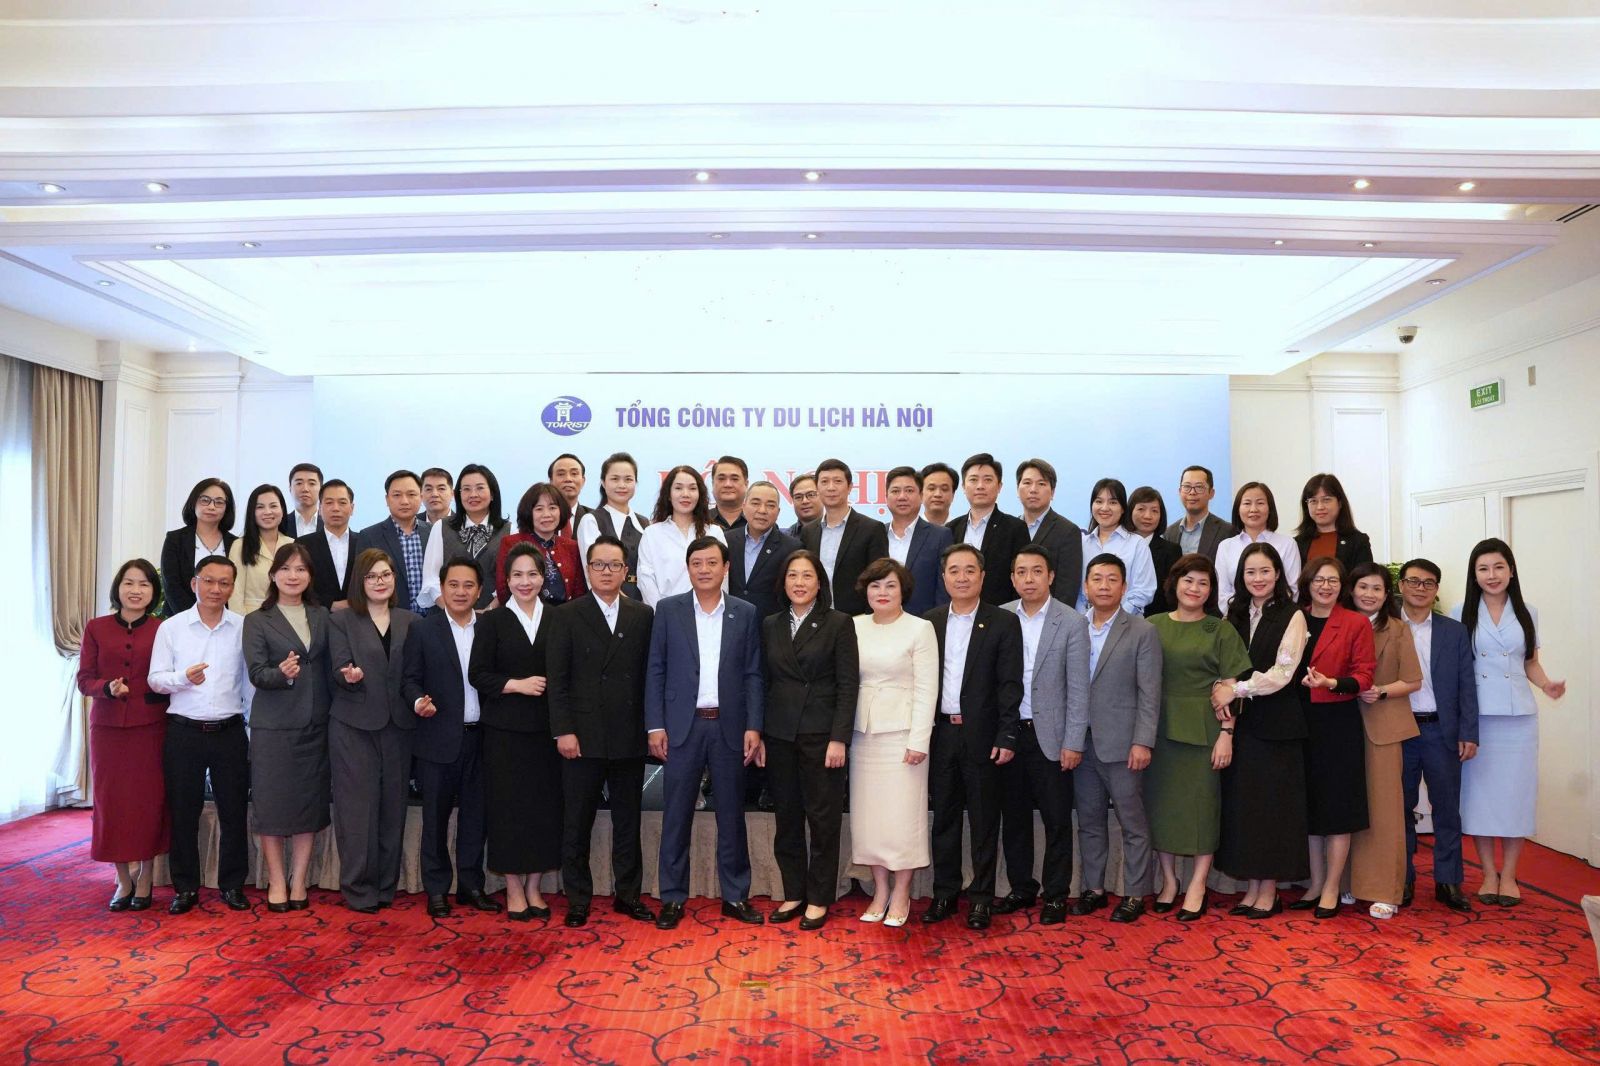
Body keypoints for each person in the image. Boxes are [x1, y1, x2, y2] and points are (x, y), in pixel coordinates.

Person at [645, 537, 765, 930]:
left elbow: (753, 674)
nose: (704, 569)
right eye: (696, 563)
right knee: (676, 816)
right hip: (682, 726)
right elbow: (656, 669)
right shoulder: (668, 610)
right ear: (688, 568)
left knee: (731, 815)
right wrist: (655, 725)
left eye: (712, 562)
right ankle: (672, 897)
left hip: (730, 727)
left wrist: (754, 726)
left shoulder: (745, 612)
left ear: (726, 567)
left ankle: (735, 895)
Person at [547, 535, 657, 927]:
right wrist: (563, 730)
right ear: (588, 569)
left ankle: (628, 894)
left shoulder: (643, 615)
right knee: (576, 822)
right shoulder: (566, 615)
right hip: (582, 736)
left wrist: (651, 729)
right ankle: (578, 898)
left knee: (628, 823)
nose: (606, 572)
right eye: (598, 565)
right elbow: (557, 680)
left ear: (626, 572)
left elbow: (650, 678)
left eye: (614, 565)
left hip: (628, 735)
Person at [1456, 538, 1565, 908]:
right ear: (1474, 574)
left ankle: (1510, 875)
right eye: (1483, 568)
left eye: (1499, 567)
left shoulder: (1527, 611)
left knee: (1516, 797)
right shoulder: (1460, 611)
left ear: (1511, 570)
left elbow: (1529, 662)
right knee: (1480, 798)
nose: (1492, 575)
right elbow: (1459, 667)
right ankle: (1489, 873)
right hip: (1478, 719)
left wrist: (1546, 684)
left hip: (1518, 719)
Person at [1144, 553, 1252, 920]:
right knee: (1162, 807)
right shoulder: (1152, 625)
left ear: (1211, 591)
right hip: (1158, 729)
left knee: (1203, 808)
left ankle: (1198, 884)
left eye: (1203, 583)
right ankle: (1169, 880)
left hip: (1205, 730)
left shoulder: (1221, 630)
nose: (1194, 588)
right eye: (1188, 580)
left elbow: (1230, 688)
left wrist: (1227, 735)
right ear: (1174, 583)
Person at [923, 543, 1023, 930]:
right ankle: (944, 893)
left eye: (969, 570)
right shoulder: (929, 622)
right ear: (943, 577)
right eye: (954, 570)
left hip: (983, 736)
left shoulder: (1002, 622)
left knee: (984, 820)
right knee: (944, 818)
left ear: (982, 576)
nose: (961, 577)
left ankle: (981, 897)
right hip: (941, 734)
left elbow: (1010, 686)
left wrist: (1007, 735)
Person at [147, 555, 252, 915]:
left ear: (232, 588)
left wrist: (252, 727)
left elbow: (249, 685)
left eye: (224, 583)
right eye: (208, 581)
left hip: (229, 731)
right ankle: (185, 887)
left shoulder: (243, 627)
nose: (215, 589)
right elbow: (155, 679)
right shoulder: (171, 628)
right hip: (184, 732)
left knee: (234, 812)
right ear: (194, 584)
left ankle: (233, 885)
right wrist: (183, 679)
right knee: (183, 812)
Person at [760, 550, 859, 929]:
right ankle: (794, 892)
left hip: (822, 735)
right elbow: (764, 682)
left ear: (820, 583)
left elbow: (848, 685)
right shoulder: (770, 624)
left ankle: (818, 897)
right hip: (780, 733)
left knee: (823, 819)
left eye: (807, 575)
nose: (799, 583)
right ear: (783, 582)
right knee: (786, 817)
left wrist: (839, 738)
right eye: (792, 575)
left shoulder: (838, 623)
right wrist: (761, 733)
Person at [469, 542, 563, 920]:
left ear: (543, 578)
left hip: (547, 731)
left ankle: (534, 886)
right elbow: (478, 675)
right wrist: (517, 685)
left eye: (533, 574)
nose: (526, 582)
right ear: (506, 580)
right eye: (518, 575)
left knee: (544, 809)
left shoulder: (558, 617)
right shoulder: (491, 621)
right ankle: (512, 887)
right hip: (503, 732)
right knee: (507, 810)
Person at [995, 544, 1089, 922]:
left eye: (1037, 571)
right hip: (1009, 733)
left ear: (1050, 576)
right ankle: (1021, 887)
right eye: (1021, 572)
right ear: (1012, 578)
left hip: (1051, 735)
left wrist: (1073, 741)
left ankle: (1055, 894)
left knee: (1056, 820)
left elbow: (1079, 689)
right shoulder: (1000, 616)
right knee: (1014, 817)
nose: (1029, 579)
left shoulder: (1072, 621)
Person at [1216, 543, 1311, 918]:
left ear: (1278, 574)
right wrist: (1223, 689)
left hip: (1277, 725)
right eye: (1250, 572)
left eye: (1265, 571)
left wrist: (1237, 689)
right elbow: (1224, 662)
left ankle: (1269, 890)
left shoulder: (1292, 614)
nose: (1258, 579)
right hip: (1242, 725)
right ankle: (1252, 886)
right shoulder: (1234, 613)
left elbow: (1283, 673)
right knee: (1246, 808)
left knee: (1273, 809)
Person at [1066, 554, 1162, 924]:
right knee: (1089, 820)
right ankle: (1094, 889)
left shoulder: (1141, 631)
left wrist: (1143, 741)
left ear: (1124, 587)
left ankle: (1135, 893)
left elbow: (1149, 693)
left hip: (1123, 744)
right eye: (1097, 579)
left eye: (1112, 579)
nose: (1104, 586)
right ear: (1085, 586)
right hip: (1080, 742)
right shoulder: (1073, 626)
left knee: (1132, 822)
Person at [404, 556, 499, 917]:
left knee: (477, 817)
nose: (461, 592)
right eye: (453, 585)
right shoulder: (423, 629)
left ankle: (472, 885)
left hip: (482, 739)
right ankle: (437, 889)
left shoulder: (490, 627)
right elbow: (409, 679)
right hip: (437, 739)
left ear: (480, 590)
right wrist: (418, 701)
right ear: (441, 589)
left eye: (468, 585)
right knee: (435, 818)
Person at [327, 548, 419, 913]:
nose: (380, 582)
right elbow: (338, 665)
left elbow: (415, 673)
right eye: (371, 576)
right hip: (354, 726)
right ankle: (358, 888)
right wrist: (347, 676)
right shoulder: (342, 620)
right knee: (357, 811)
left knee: (393, 809)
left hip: (399, 726)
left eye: (386, 575)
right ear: (359, 581)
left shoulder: (411, 620)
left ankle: (385, 887)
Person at [243, 543, 332, 913]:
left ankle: (299, 880)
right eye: (286, 569)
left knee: (308, 806)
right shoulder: (257, 620)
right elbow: (256, 673)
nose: (293, 576)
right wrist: (282, 674)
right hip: (274, 727)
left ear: (310, 575)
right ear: (273, 574)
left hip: (316, 724)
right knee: (273, 806)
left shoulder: (322, 615)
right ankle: (277, 880)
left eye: (301, 569)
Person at [849, 557, 938, 927]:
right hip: (862, 735)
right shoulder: (854, 626)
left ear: (904, 591)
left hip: (903, 738)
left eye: (890, 585)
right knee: (869, 819)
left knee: (902, 819)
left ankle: (902, 891)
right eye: (875, 585)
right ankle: (880, 890)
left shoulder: (920, 628)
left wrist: (919, 740)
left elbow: (927, 689)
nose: (882, 592)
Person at [77, 559, 168, 911]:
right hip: (108, 729)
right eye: (129, 583)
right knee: (111, 803)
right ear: (118, 588)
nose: (135, 590)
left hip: (151, 727)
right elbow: (84, 679)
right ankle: (122, 879)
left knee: (149, 802)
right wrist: (107, 688)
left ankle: (145, 877)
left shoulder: (163, 629)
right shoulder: (96, 628)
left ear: (153, 592)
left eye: (144, 584)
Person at [1292, 557, 1376, 917]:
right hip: (1299, 722)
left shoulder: (1356, 623)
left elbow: (1365, 675)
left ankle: (1331, 887)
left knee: (1337, 808)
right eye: (1319, 580)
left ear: (1342, 586)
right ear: (1307, 583)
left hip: (1337, 722)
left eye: (1333, 580)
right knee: (1309, 806)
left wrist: (1331, 682)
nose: (1325, 586)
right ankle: (1314, 883)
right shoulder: (1295, 618)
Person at [1397, 558, 1477, 911]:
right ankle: (1402, 878)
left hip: (1440, 731)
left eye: (1428, 583)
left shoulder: (1454, 631)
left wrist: (1469, 732)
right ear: (1401, 585)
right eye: (1414, 581)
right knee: (1399, 808)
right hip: (1399, 730)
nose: (1421, 588)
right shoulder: (1385, 626)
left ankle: (1448, 881)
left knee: (1447, 809)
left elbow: (1467, 686)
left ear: (1436, 590)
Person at [1346, 562, 1422, 920]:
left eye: (1376, 588)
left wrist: (1381, 691)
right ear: (1351, 589)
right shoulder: (1339, 623)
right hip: (1342, 725)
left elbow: (1413, 681)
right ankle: (1347, 882)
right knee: (1347, 807)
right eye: (1363, 587)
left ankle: (1384, 890)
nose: (1369, 594)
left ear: (1386, 593)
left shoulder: (1397, 629)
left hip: (1384, 726)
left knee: (1385, 812)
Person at [799, 458, 889, 615]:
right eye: (824, 482)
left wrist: (871, 618)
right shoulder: (809, 531)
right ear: (817, 488)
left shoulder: (872, 529)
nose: (831, 487)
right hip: (818, 617)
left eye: (838, 481)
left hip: (858, 619)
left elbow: (879, 579)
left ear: (850, 487)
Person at [420, 463, 509, 612]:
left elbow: (510, 580)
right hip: (447, 617)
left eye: (480, 488)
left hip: (494, 617)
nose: (473, 494)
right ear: (458, 495)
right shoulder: (441, 527)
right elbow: (431, 579)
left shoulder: (509, 530)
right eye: (466, 489)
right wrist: (453, 612)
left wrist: (488, 611)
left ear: (493, 493)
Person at [638, 465, 728, 607]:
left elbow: (723, 578)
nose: (685, 494)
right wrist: (662, 613)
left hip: (709, 613)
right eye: (678, 488)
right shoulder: (652, 534)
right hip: (665, 613)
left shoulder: (714, 532)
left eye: (692, 488)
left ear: (700, 494)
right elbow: (646, 581)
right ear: (668, 494)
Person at [946, 453, 1029, 605]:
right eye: (973, 480)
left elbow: (1021, 575)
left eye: (988, 480)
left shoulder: (1015, 528)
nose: (980, 486)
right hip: (956, 612)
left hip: (1001, 612)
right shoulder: (950, 529)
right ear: (963, 487)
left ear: (999, 486)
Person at [1214, 482, 1301, 613]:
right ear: (1238, 509)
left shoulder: (1287, 544)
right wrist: (1246, 614)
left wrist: (1265, 615)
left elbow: (1292, 590)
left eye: (1260, 503)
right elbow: (1222, 593)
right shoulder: (1225, 546)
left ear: (1270, 508)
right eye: (1247, 503)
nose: (1253, 509)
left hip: (1277, 618)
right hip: (1236, 617)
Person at [496, 482, 586, 608]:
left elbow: (579, 592)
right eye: (539, 509)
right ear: (528, 512)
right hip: (524, 614)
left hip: (566, 615)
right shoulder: (511, 543)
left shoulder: (572, 546)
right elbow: (503, 590)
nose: (546, 514)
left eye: (552, 508)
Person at [354, 470, 430, 614]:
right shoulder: (369, 536)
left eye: (411, 494)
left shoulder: (435, 532)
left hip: (432, 620)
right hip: (390, 618)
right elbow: (361, 583)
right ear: (387, 499)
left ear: (421, 497)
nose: (404, 501)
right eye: (397, 495)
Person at [575, 451, 650, 599]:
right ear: (603, 483)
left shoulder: (645, 523)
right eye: (615, 479)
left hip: (645, 603)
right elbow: (595, 575)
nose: (622, 485)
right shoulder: (591, 521)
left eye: (628, 479)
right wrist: (627, 606)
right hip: (608, 603)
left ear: (635, 483)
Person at [159, 478, 239, 616]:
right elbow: (171, 585)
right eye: (205, 500)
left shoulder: (235, 543)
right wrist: (193, 618)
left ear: (227, 508)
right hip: (181, 617)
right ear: (194, 503)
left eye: (219, 502)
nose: (211, 507)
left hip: (224, 620)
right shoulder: (175, 539)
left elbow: (236, 587)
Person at [1077, 478, 1157, 615]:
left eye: (1113, 502)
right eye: (1099, 501)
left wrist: (1113, 619)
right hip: (1085, 623)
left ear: (1123, 508)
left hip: (1127, 623)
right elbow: (1077, 590)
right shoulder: (1082, 543)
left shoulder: (1137, 544)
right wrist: (1085, 619)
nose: (1104, 508)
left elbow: (1143, 591)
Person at [882, 465, 953, 616]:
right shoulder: (875, 533)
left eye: (909, 490)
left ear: (921, 495)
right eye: (895, 491)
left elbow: (943, 590)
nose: (902, 497)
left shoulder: (940, 536)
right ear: (886, 497)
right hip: (880, 622)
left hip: (923, 622)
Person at [727, 481, 801, 622]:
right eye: (755, 503)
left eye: (770, 505)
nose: (762, 510)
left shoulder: (792, 548)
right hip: (731, 624)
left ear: (778, 512)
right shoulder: (726, 540)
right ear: (743, 506)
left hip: (771, 627)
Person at [1015, 458, 1083, 607]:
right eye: (1027, 483)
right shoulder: (1009, 528)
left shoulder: (1068, 531)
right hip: (1011, 614)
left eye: (1041, 484)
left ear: (1052, 492)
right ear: (1017, 490)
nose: (1033, 489)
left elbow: (1067, 589)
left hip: (1050, 616)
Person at [225, 484, 289, 615]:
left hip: (287, 616)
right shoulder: (240, 545)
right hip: (251, 616)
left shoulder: (292, 544)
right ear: (252, 512)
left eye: (273, 506)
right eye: (260, 507)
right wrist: (242, 623)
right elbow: (235, 593)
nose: (267, 512)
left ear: (282, 510)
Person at [1294, 473, 1374, 574]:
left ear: (1340, 503)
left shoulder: (1358, 541)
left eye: (1326, 500)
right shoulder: (1296, 543)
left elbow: (1365, 579)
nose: (1320, 507)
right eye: (1313, 501)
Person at [299, 478, 355, 609]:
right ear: (319, 508)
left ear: (352, 508)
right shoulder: (303, 544)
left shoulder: (364, 541)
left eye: (342, 503)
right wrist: (330, 604)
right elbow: (299, 583)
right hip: (316, 615)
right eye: (329, 503)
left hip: (358, 616)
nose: (336, 508)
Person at [1130, 486, 1183, 616]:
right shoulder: (1118, 545)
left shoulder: (1171, 551)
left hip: (1156, 620)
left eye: (1154, 511)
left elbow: (1172, 596)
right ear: (1130, 511)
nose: (1148, 516)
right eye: (1141, 509)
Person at [1165, 465, 1233, 560]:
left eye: (1199, 487)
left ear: (1211, 493)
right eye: (1187, 486)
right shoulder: (1169, 533)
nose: (1192, 492)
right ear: (1180, 491)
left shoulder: (1226, 532)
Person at [548, 453, 590, 538]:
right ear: (551, 481)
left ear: (583, 481)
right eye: (561, 474)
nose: (568, 479)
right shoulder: (540, 519)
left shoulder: (595, 518)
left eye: (574, 473)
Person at [710, 455, 750, 530]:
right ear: (713, 483)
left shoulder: (758, 521)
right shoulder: (699, 521)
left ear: (746, 484)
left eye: (734, 479)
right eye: (721, 479)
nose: (727, 484)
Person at [287, 462, 324, 538]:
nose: (305, 489)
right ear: (290, 488)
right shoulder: (281, 524)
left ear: (321, 489)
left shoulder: (330, 524)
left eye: (312, 484)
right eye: (299, 483)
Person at [919, 462, 958, 528]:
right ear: (921, 494)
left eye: (944, 489)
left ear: (953, 495)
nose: (938, 494)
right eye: (931, 488)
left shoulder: (961, 530)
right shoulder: (909, 530)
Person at [784, 472, 821, 538]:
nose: (805, 501)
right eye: (798, 497)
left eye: (811, 495)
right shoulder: (785, 538)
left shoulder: (837, 532)